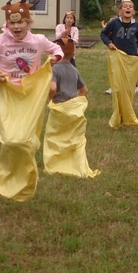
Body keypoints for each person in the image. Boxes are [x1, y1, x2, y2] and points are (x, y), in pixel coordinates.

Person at [0, 0, 64, 201]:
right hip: (7, 93)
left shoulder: (37, 40)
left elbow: (57, 49)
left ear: (28, 23)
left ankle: (28, 155)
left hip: (31, 94)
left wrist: (55, 58)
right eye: (12, 22)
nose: (16, 26)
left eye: (20, 21)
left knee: (26, 135)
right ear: (7, 24)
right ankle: (11, 172)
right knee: (10, 137)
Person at [43, 38, 100, 178]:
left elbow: (53, 88)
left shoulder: (54, 69)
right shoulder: (74, 70)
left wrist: (49, 99)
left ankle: (55, 164)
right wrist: (74, 101)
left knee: (55, 137)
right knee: (73, 139)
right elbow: (84, 90)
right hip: (73, 110)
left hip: (59, 108)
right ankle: (75, 163)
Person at [100, 0, 138, 127]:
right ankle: (118, 112)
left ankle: (127, 113)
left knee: (129, 89)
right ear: (120, 10)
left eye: (130, 7)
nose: (128, 8)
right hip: (117, 57)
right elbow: (103, 34)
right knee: (118, 88)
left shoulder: (136, 26)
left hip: (131, 59)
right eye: (125, 6)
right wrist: (109, 43)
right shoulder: (114, 23)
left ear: (134, 11)